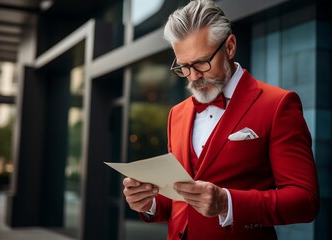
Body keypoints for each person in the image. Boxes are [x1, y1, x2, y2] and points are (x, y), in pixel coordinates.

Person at [122, 0, 320, 239]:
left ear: (230, 46)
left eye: (202, 63)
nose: (193, 76)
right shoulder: (177, 113)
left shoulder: (278, 104)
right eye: (184, 66)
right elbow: (179, 202)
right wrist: (149, 202)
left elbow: (305, 201)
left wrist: (227, 203)